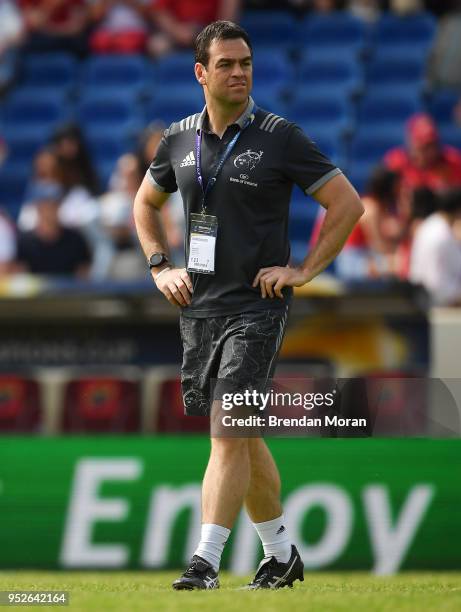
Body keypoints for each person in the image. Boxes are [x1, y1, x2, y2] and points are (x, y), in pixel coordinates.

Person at [133, 20, 363, 590]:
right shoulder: (178, 138)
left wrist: (303, 270)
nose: (239, 73)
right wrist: (161, 266)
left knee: (228, 428)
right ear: (201, 73)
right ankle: (281, 554)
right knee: (242, 432)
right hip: (200, 307)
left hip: (259, 307)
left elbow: (347, 204)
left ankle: (205, 562)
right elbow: (144, 202)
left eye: (247, 63)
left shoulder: (280, 136)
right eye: (227, 65)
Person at [15, 181, 92, 277]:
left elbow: (83, 275)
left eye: (53, 204)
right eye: (45, 205)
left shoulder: (75, 240)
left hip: (68, 292)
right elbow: (20, 276)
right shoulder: (24, 242)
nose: (49, 210)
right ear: (37, 207)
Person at [384, 113, 461, 194]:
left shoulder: (453, 161)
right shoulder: (395, 164)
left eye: (433, 144)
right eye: (424, 147)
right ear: (411, 143)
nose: (430, 152)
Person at [410, 188, 461, 305]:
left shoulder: (431, 225)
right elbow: (437, 285)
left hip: (425, 298)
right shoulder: (442, 235)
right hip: (435, 305)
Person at [148, 0, 241, 57]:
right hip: (177, 33)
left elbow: (227, 23)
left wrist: (207, 35)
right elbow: (160, 12)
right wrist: (177, 31)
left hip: (212, 34)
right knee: (157, 45)